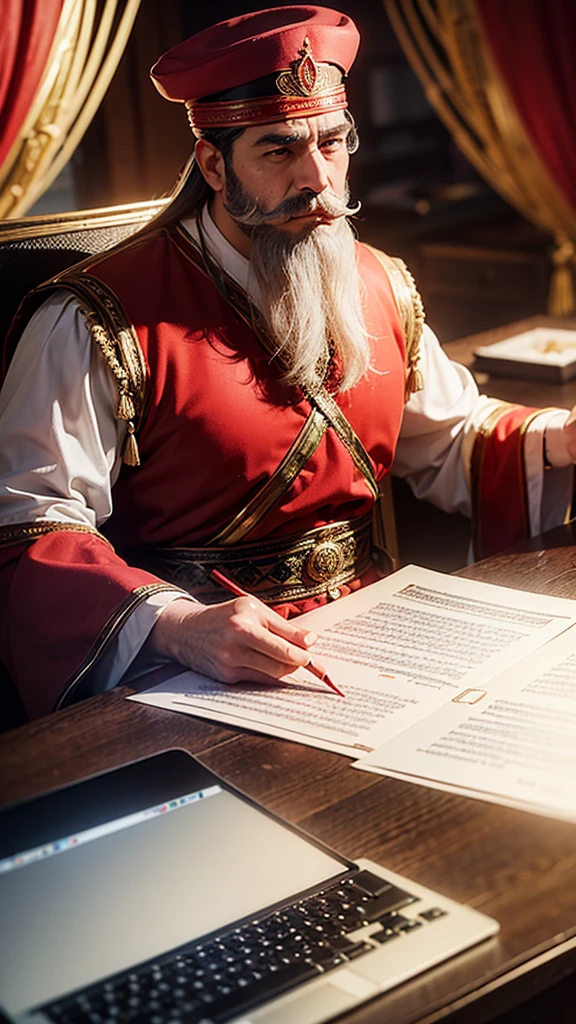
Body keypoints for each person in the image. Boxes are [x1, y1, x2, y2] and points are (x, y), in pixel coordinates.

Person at [1, 5, 575, 721]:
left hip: (386, 639)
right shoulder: (95, 318)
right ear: (214, 164)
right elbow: (30, 524)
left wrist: (562, 438)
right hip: (198, 672)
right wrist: (178, 627)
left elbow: (451, 438)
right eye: (278, 152)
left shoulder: (379, 280)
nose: (318, 180)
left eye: (332, 143)